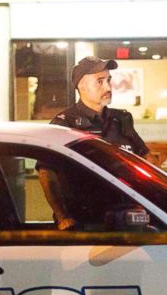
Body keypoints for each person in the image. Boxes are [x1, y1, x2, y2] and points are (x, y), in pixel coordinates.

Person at [41, 57, 149, 230]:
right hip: (85, 223)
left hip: (124, 218)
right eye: (99, 81)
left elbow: (144, 160)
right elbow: (47, 172)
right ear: (81, 86)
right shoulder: (65, 123)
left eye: (108, 80)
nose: (107, 87)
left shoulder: (121, 119)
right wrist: (63, 216)